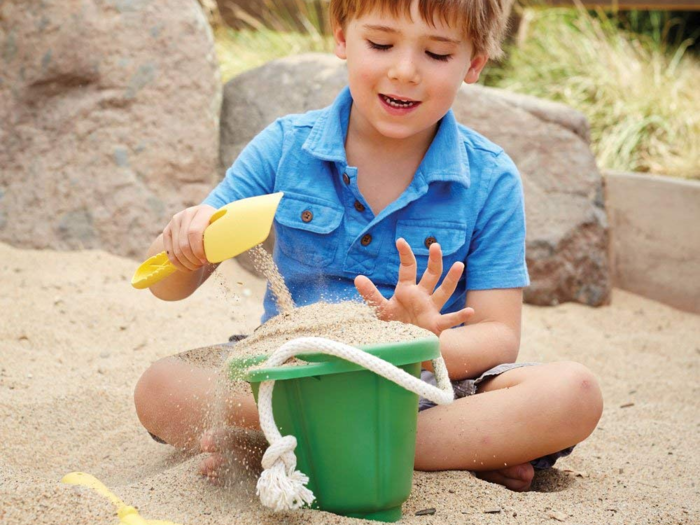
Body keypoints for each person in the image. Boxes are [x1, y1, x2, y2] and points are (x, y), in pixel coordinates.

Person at [134, 0, 603, 492]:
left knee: (574, 393)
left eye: (437, 54)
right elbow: (168, 287)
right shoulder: (285, 147)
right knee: (160, 387)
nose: (404, 71)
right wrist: (184, 243)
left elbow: (499, 335)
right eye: (380, 44)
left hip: (423, 385)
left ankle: (300, 447)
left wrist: (417, 344)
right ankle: (416, 449)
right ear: (341, 37)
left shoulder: (490, 177)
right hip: (291, 377)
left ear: (476, 63)